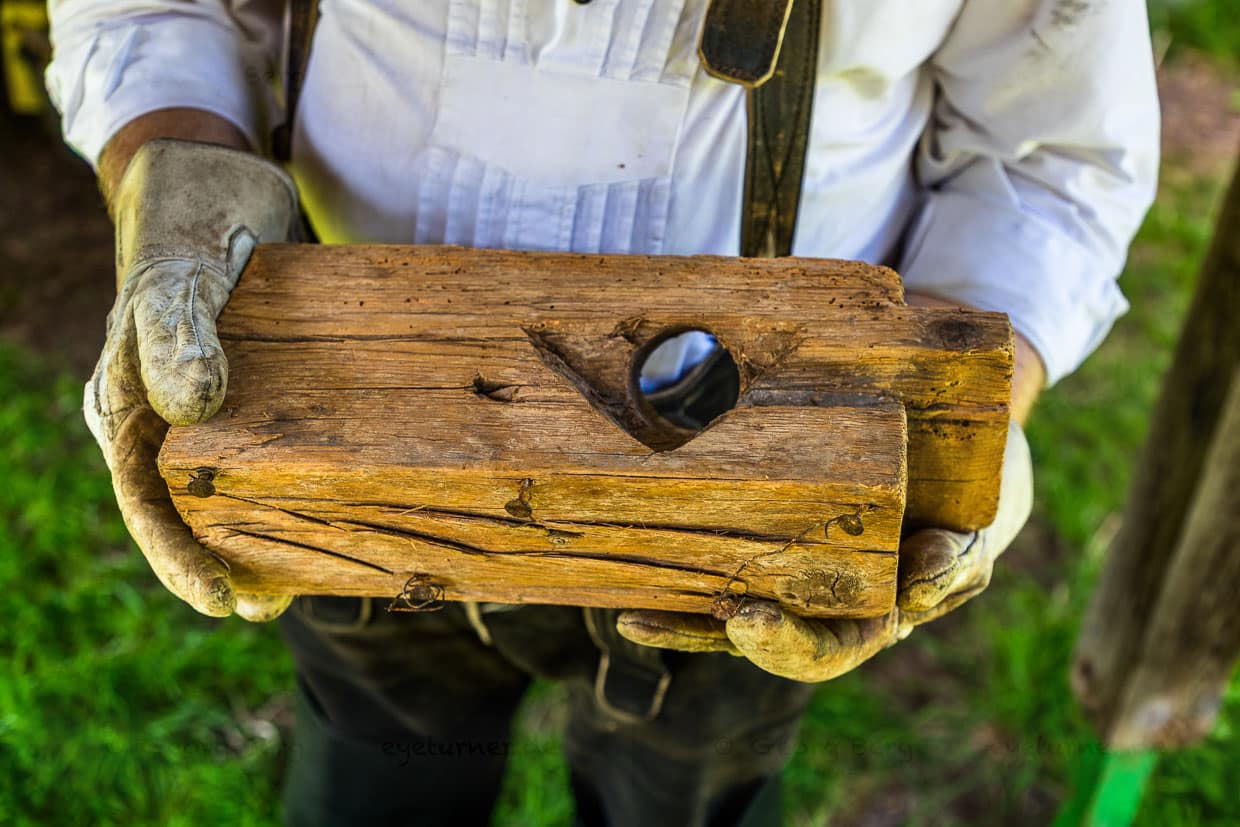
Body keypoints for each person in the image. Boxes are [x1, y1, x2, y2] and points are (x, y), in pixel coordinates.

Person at [45, 1, 1159, 825]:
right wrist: (177, 170)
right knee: (373, 770)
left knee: (691, 797)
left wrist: (958, 417)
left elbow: (1048, 155)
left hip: (760, 489)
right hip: (335, 429)